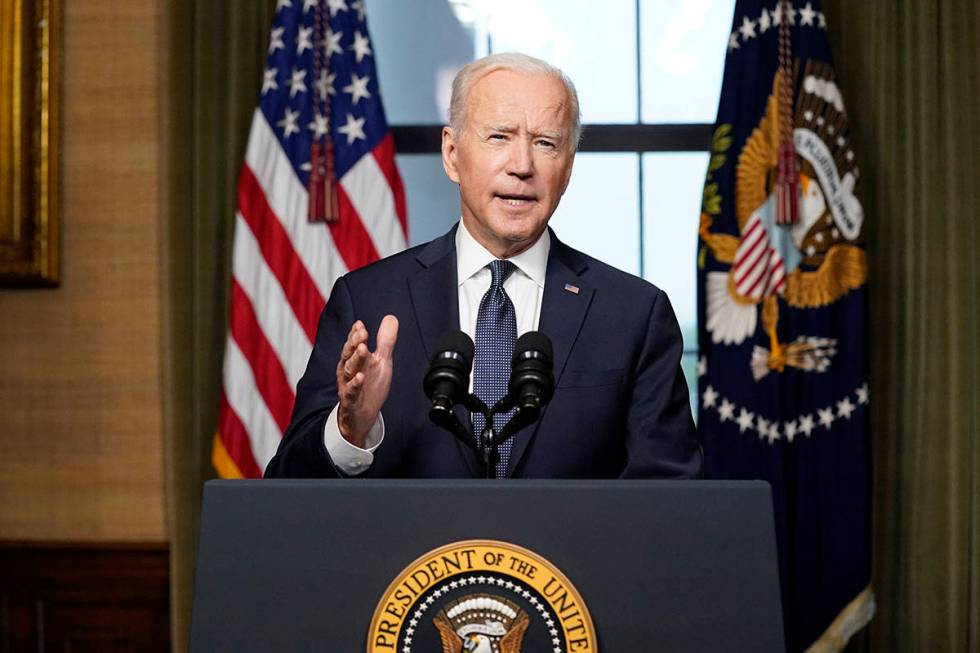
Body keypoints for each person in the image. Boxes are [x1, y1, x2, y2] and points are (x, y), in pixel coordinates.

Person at [264, 53, 701, 479]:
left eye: (546, 143)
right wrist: (349, 430)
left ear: (567, 169)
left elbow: (670, 501)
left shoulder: (633, 315)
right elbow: (288, 491)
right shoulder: (369, 301)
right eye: (499, 137)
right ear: (452, 154)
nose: (522, 166)